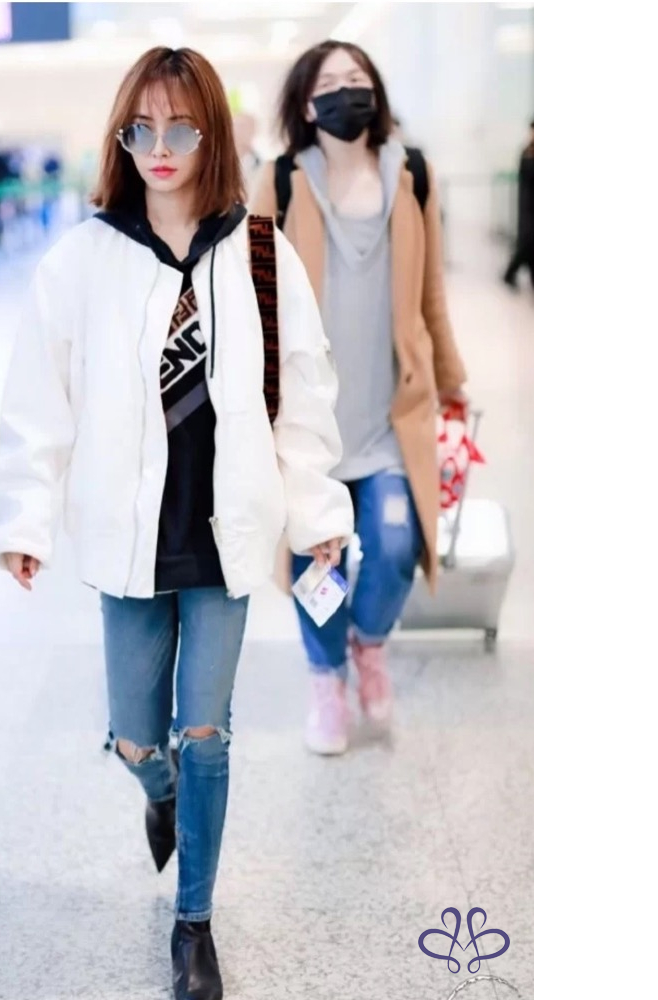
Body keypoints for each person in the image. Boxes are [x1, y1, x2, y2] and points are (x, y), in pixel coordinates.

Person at [0, 46, 353, 1000]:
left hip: (226, 536)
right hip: (130, 540)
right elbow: (38, 396)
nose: (160, 146)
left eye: (180, 128)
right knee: (138, 737)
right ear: (122, 138)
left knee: (207, 735)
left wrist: (317, 512)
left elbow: (303, 398)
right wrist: (25, 516)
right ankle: (158, 791)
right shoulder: (83, 259)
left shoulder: (259, 252)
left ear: (211, 134)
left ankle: (194, 927)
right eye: (141, 128)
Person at [251, 40, 468, 757]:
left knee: (399, 544)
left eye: (358, 79)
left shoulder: (412, 175)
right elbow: (252, 296)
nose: (347, 91)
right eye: (330, 82)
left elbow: (431, 291)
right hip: (309, 429)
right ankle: (327, 681)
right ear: (307, 104)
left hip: (389, 420)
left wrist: (452, 378)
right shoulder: (280, 181)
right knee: (317, 560)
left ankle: (368, 644)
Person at [503, 120, 533, 289]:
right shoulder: (527, 152)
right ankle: (509, 273)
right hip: (527, 205)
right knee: (527, 242)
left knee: (531, 244)